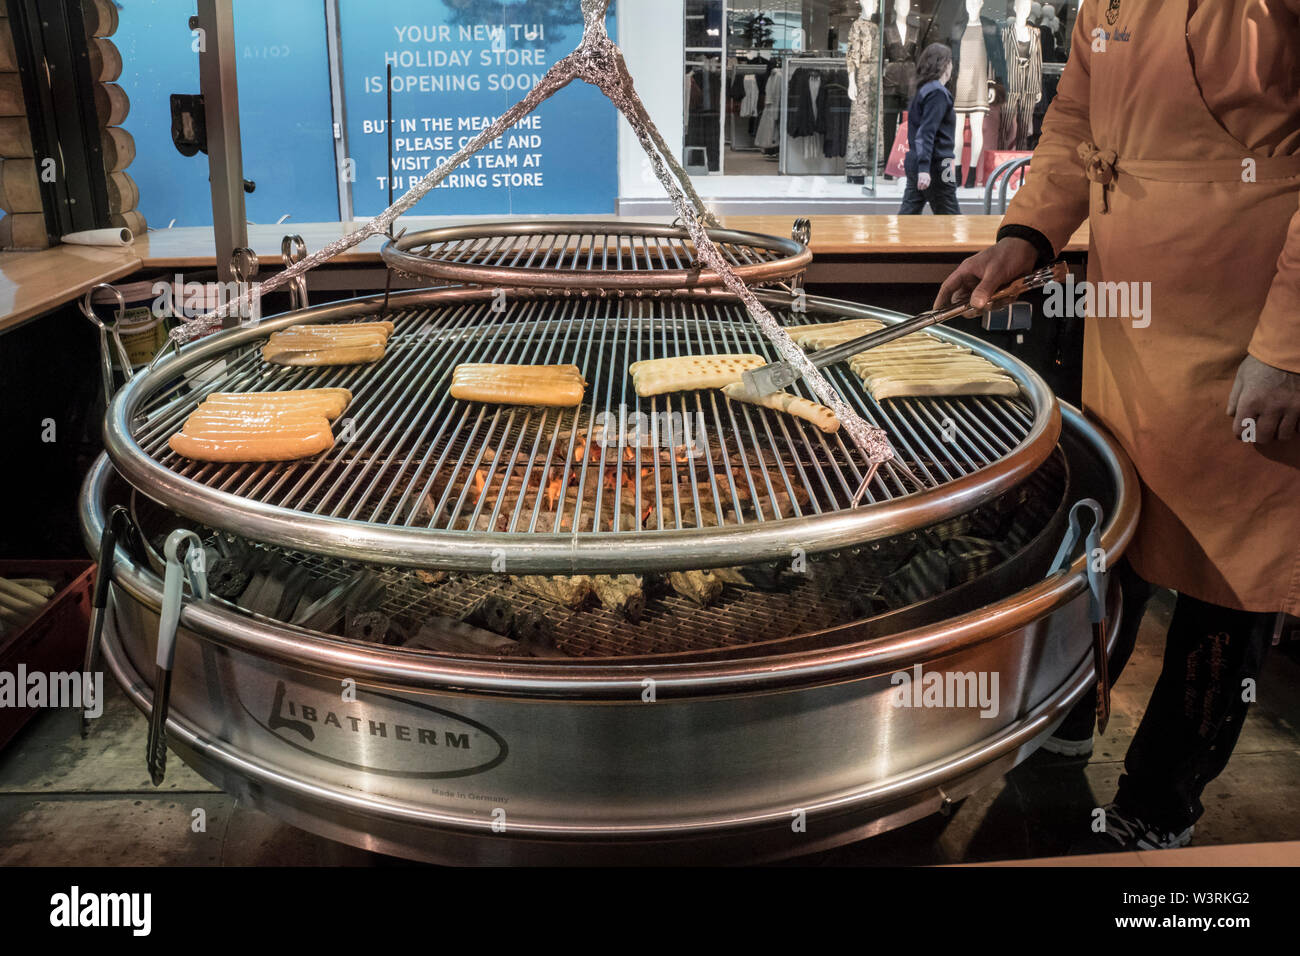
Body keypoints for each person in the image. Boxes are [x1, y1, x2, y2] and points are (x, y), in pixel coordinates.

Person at [936, 0, 1300, 852]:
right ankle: (1067, 719)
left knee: (1223, 581)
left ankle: (1159, 803)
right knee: (1111, 535)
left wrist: (1288, 347)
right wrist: (1025, 235)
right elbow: (1074, 122)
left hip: (1248, 319)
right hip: (1132, 317)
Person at [899, 43, 961, 215]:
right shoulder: (937, 93)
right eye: (950, 63)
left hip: (921, 161)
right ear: (944, 65)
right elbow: (927, 132)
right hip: (937, 164)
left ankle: (895, 241)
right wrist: (925, 169)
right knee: (950, 217)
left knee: (908, 214)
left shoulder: (924, 90)